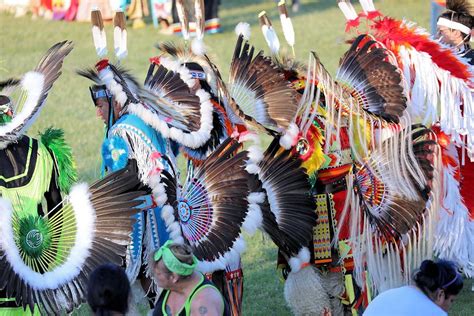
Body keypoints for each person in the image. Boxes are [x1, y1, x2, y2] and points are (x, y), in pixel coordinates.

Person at [151, 241, 227, 316]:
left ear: (174, 277)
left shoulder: (204, 302)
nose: (153, 276)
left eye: (158, 274)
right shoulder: (168, 287)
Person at [364, 260, 464, 315]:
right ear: (440, 294)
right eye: (451, 301)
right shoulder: (434, 313)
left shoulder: (385, 296)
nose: (449, 308)